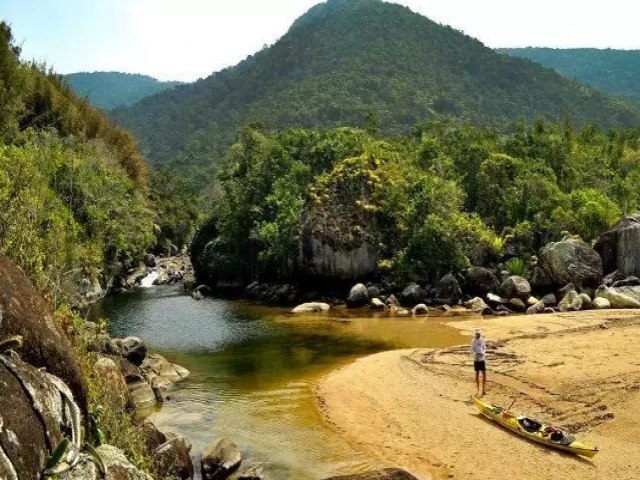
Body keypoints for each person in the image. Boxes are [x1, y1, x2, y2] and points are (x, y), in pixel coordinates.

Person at [471, 328, 486, 395]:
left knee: (484, 374)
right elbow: (472, 350)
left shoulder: (482, 340)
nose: (478, 335)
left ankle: (483, 390)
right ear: (475, 334)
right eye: (477, 334)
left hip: (482, 359)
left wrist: (483, 353)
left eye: (479, 334)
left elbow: (484, 348)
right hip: (476, 359)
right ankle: (478, 390)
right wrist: (476, 354)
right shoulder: (473, 341)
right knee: (477, 374)